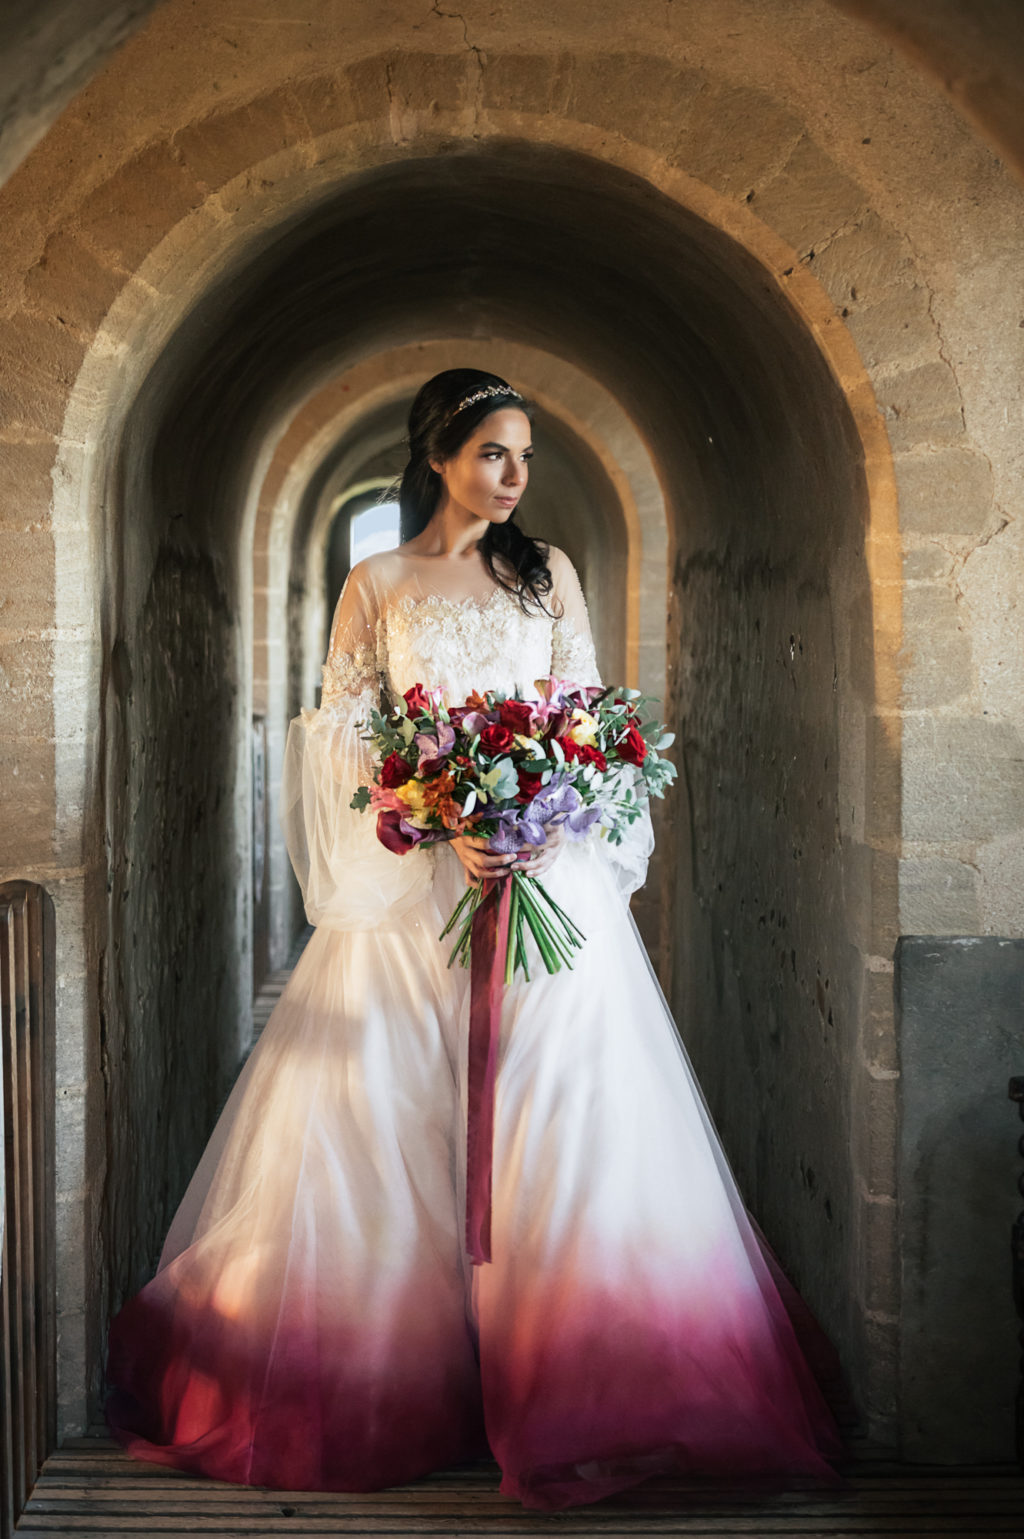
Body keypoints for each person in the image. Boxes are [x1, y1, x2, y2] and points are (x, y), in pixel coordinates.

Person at [106, 368, 841, 1510]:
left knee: (562, 1123)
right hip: (417, 901)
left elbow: (588, 718)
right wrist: (443, 812)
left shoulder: (548, 575)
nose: (515, 477)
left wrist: (545, 817)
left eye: (528, 457)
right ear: (439, 454)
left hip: (545, 879)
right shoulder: (377, 583)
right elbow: (344, 746)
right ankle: (398, 1373)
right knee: (392, 1121)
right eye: (496, 451)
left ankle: (572, 1378)